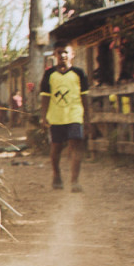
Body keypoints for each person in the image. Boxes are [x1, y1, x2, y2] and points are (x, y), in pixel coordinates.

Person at [40, 44, 90, 192]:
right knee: (56, 147)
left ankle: (75, 180)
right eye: (59, 52)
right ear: (55, 55)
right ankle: (56, 174)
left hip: (74, 114)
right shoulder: (49, 74)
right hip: (56, 116)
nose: (63, 55)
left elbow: (84, 97)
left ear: (72, 54)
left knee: (76, 145)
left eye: (66, 52)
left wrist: (87, 118)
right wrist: (44, 117)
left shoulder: (79, 73)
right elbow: (45, 97)